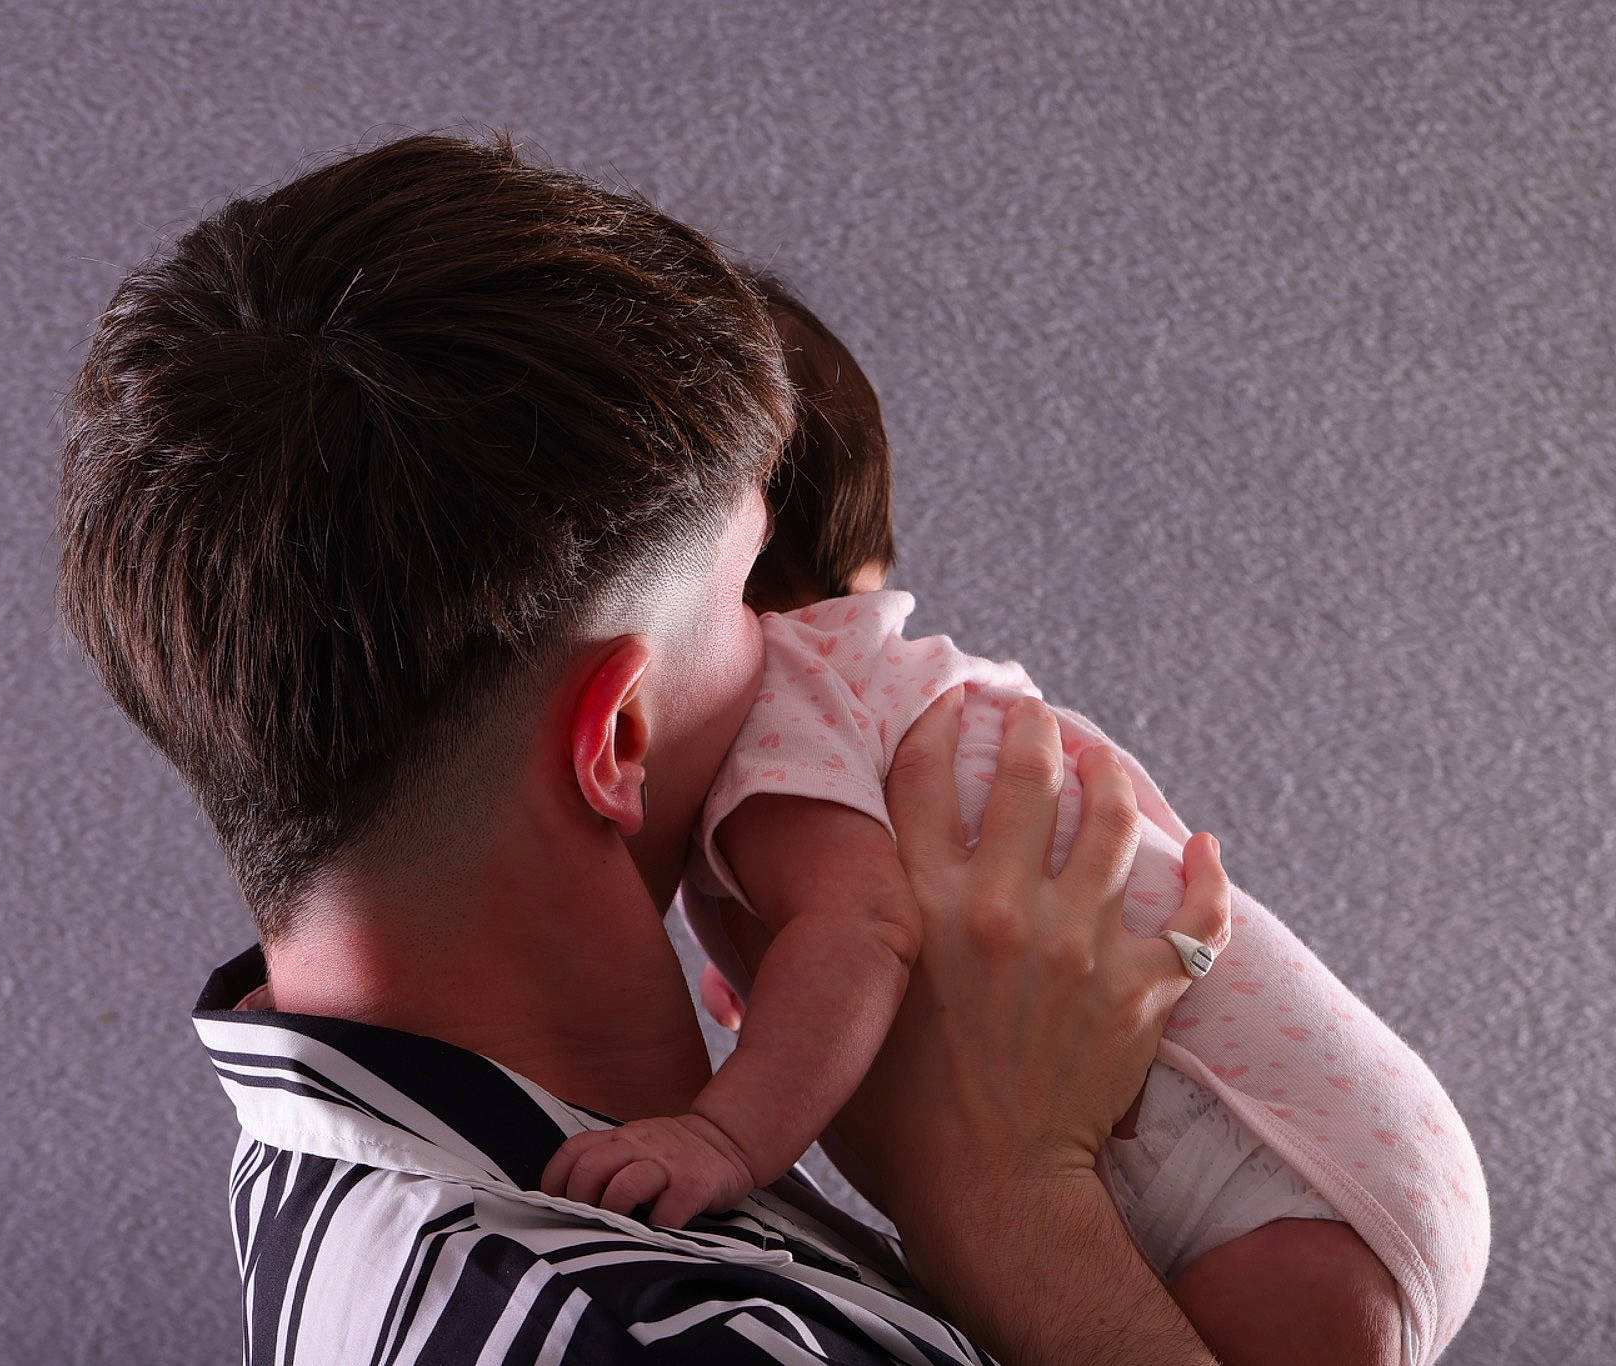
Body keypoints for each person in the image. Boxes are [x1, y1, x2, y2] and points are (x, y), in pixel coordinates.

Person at [58, 128, 1234, 1363]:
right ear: (615, 737)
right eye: (747, 602)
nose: (795, 647)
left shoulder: (343, 1156)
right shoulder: (665, 1336)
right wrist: (1010, 1207)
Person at [541, 272, 1488, 1366]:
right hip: (1341, 1143)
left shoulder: (769, 681)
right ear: (870, 562)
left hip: (1248, 1166)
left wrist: (720, 1133)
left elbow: (858, 930)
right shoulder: (896, 681)